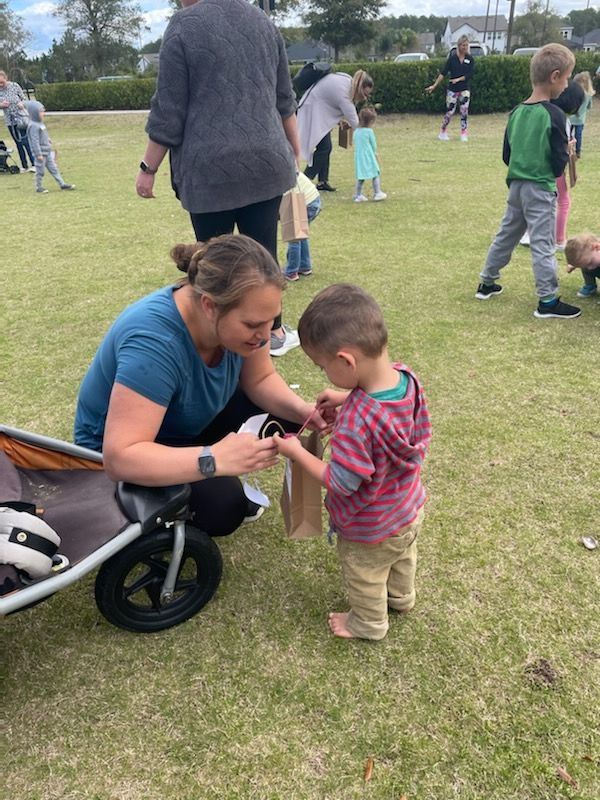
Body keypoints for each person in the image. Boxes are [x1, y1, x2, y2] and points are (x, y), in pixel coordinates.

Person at [74, 235, 329, 538]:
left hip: (178, 424)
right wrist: (213, 459)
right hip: (121, 456)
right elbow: (120, 458)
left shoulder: (241, 319)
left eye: (271, 320)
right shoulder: (154, 343)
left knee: (288, 418)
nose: (266, 336)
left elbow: (260, 380)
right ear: (209, 306)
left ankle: (196, 477)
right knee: (223, 507)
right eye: (252, 325)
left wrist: (305, 412)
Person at [136, 0, 301, 357]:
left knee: (212, 261)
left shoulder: (183, 26)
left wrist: (148, 169)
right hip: (267, 161)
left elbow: (168, 110)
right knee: (264, 255)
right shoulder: (262, 21)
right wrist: (295, 150)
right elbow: (284, 99)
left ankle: (213, 336)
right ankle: (272, 331)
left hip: (208, 169)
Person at [274, 284, 431, 641]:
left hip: (371, 527)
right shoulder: (406, 379)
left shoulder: (356, 424)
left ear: (346, 361)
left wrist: (297, 453)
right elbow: (381, 401)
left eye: (323, 367)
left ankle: (368, 623)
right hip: (408, 509)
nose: (324, 373)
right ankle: (401, 598)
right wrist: (345, 397)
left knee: (366, 574)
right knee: (402, 555)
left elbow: (342, 481)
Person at [475, 44, 581, 319]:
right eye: (567, 78)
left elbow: (506, 154)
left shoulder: (516, 112)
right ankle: (548, 301)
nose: (567, 84)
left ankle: (486, 282)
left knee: (506, 236)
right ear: (555, 76)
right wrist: (564, 153)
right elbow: (558, 162)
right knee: (543, 244)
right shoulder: (555, 115)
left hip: (516, 187)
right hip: (540, 189)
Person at [519, 79, 584, 251]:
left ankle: (527, 233)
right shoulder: (562, 120)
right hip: (555, 168)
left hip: (534, 166)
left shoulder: (542, 114)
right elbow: (560, 146)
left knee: (533, 201)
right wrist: (570, 145)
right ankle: (559, 239)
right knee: (563, 201)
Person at [297, 69, 374, 192]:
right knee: (325, 148)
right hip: (312, 111)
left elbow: (329, 100)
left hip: (317, 110)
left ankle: (322, 181)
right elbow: (355, 123)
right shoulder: (344, 94)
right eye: (365, 94)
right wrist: (367, 136)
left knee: (325, 147)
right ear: (360, 88)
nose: (365, 98)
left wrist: (339, 120)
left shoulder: (347, 81)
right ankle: (304, 180)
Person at [425, 35, 475, 142]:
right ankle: (443, 132)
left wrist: (459, 79)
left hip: (464, 89)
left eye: (466, 45)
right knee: (450, 112)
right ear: (459, 46)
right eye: (463, 45)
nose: (465, 47)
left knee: (464, 112)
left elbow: (470, 74)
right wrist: (434, 85)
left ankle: (464, 133)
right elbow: (443, 73)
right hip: (452, 90)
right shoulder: (452, 59)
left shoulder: (470, 59)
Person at [25, 101, 75, 194]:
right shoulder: (33, 126)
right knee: (40, 171)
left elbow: (43, 134)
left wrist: (48, 139)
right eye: (41, 112)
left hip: (47, 151)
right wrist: (38, 154)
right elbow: (34, 141)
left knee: (54, 169)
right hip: (40, 154)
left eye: (43, 111)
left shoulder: (40, 123)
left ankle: (62, 184)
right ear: (34, 113)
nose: (43, 114)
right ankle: (39, 187)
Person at [284, 172, 321, 281]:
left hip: (300, 200)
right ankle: (304, 266)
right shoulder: (289, 165)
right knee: (301, 234)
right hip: (313, 198)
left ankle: (291, 271)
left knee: (294, 238)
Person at [0, 70, 35, 172]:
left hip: (21, 118)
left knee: (25, 141)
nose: (1, 85)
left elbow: (24, 99)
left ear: (6, 78)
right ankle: (24, 165)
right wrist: (1, 105)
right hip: (10, 121)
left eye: (2, 82)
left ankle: (34, 164)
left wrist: (21, 104)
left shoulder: (15, 86)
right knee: (18, 143)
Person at [353, 106, 386, 203]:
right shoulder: (369, 132)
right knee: (375, 173)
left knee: (361, 176)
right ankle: (377, 192)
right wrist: (375, 154)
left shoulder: (356, 131)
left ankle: (358, 195)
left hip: (359, 157)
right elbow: (373, 144)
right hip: (369, 156)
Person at [565, 233, 600, 300]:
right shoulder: (589, 256)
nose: (590, 268)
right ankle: (590, 285)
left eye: (590, 263)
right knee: (585, 268)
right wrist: (573, 265)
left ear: (597, 247)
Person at [569, 71, 595, 158]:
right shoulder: (589, 95)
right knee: (578, 135)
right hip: (580, 119)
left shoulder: (574, 93)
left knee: (568, 134)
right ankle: (578, 151)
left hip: (570, 118)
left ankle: (567, 149)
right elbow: (589, 106)